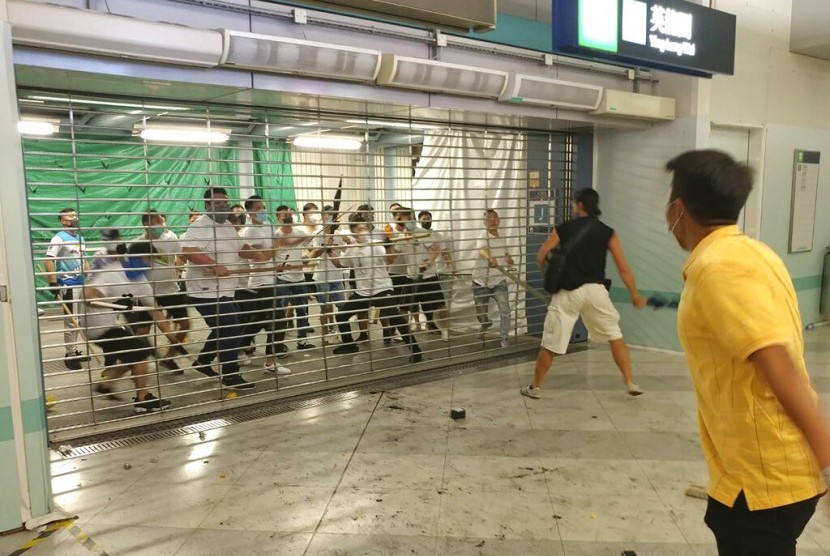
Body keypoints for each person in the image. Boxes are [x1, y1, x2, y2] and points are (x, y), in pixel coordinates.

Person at [664, 150, 830, 555]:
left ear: (677, 209)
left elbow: (780, 367)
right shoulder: (753, 253)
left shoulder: (718, 268)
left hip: (763, 481)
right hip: (758, 471)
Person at [520, 189, 646, 400]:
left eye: (573, 203)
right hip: (596, 291)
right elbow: (623, 267)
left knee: (551, 343)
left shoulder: (564, 228)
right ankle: (630, 381)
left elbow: (541, 255)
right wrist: (634, 294)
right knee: (615, 335)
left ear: (579, 205)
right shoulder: (608, 232)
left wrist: (549, 278)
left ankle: (535, 387)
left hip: (568, 292)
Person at [181, 187, 265, 390]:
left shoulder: (227, 225)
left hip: (225, 290)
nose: (223, 205)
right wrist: (214, 265)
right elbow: (189, 252)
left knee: (229, 325)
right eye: (217, 202)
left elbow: (240, 247)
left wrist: (260, 255)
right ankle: (230, 376)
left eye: (224, 201)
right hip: (206, 291)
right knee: (230, 329)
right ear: (207, 205)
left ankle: (203, 361)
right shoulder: (200, 226)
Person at [81, 237, 176, 412]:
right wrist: (116, 305)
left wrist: (172, 337)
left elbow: (154, 312)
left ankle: (107, 384)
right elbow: (89, 297)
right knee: (140, 352)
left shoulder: (140, 280)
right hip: (95, 326)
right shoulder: (112, 273)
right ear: (136, 257)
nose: (150, 265)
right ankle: (142, 399)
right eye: (148, 259)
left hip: (112, 325)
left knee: (138, 350)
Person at [329, 216, 422, 362]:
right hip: (362, 292)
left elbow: (390, 260)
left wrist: (388, 245)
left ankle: (415, 350)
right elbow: (340, 264)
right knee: (341, 316)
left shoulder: (376, 245)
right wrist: (328, 250)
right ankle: (349, 345)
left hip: (382, 289)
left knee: (396, 318)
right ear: (353, 232)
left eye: (365, 228)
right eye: (360, 229)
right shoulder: (352, 249)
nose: (364, 231)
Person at [238, 196, 291, 375]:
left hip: (270, 278)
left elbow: (275, 250)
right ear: (250, 211)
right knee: (279, 319)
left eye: (264, 207)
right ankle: (270, 362)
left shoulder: (267, 226)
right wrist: (276, 246)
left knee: (259, 320)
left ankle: (237, 347)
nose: (263, 211)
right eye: (259, 208)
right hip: (260, 282)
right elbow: (261, 257)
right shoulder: (249, 232)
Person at [133, 209, 190, 374]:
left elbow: (181, 256)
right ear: (146, 224)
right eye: (157, 222)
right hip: (148, 293)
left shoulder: (170, 239)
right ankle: (134, 362)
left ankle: (169, 358)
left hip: (170, 290)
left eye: (161, 221)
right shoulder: (137, 243)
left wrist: (176, 268)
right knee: (143, 331)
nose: (161, 225)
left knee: (185, 324)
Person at [44, 207, 89, 370]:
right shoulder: (58, 238)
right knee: (71, 321)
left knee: (81, 319)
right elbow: (48, 260)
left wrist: (89, 279)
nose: (75, 218)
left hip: (81, 284)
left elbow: (85, 261)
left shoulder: (81, 238)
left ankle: (74, 349)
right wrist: (53, 282)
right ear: (63, 220)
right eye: (71, 216)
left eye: (76, 215)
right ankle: (69, 355)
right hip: (68, 286)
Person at [471, 209, 514, 348]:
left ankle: (504, 337)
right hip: (480, 282)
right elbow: (482, 250)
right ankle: (485, 324)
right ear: (484, 222)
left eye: (495, 218)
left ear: (499, 220)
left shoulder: (501, 237)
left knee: (505, 310)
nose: (492, 220)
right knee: (481, 313)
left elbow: (505, 253)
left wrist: (508, 258)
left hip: (498, 281)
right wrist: (490, 258)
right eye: (489, 218)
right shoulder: (483, 235)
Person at [275, 205, 315, 350]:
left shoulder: (299, 232)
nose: (288, 216)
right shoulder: (276, 235)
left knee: (302, 310)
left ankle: (302, 340)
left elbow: (311, 249)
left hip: (299, 278)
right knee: (281, 312)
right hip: (283, 279)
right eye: (284, 215)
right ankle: (278, 344)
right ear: (278, 218)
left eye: (289, 213)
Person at [307, 205, 347, 345]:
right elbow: (314, 253)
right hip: (322, 277)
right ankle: (325, 334)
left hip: (337, 276)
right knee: (324, 307)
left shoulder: (339, 234)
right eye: (327, 214)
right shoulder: (318, 233)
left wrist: (347, 240)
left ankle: (342, 333)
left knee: (342, 306)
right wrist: (326, 245)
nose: (329, 217)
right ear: (323, 216)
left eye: (332, 215)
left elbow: (345, 249)